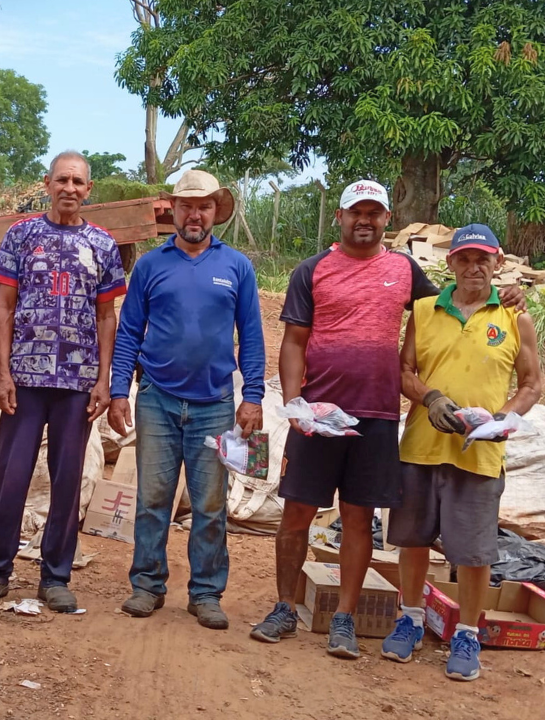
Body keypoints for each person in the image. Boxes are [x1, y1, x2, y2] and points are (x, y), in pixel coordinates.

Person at [249, 181, 523, 657]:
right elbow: (294, 342)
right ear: (340, 216)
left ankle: (344, 619)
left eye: (374, 212)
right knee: (296, 515)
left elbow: (457, 302)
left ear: (386, 219)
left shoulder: (404, 270)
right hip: (318, 415)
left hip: (375, 418)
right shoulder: (311, 270)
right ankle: (284, 608)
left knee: (358, 520)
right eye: (357, 211)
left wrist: (508, 296)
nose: (365, 220)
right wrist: (295, 403)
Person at [0, 152, 126, 613]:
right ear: (47, 184)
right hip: (27, 378)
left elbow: (105, 315)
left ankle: (55, 576)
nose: (70, 188)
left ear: (88, 189)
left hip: (77, 383)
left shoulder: (102, 244)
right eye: (62, 180)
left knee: (67, 480)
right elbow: (4, 307)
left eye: (78, 181)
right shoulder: (22, 235)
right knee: (11, 476)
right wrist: (3, 372)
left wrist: (104, 379)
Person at [382, 224, 541, 681]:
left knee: (473, 552)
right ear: (449, 263)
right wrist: (430, 398)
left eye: (483, 259)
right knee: (411, 540)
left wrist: (502, 419)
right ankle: (409, 618)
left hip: (479, 455)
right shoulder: (425, 310)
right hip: (421, 447)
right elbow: (404, 370)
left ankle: (468, 633)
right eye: (464, 259)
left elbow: (531, 384)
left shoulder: (516, 318)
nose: (474, 267)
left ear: (498, 262)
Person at [108, 169, 265, 628]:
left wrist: (252, 396)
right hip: (156, 398)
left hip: (214, 402)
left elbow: (251, 337)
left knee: (210, 505)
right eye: (187, 205)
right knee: (153, 499)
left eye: (205, 206)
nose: (195, 214)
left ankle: (206, 593)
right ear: (172, 210)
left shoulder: (236, 267)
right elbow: (129, 332)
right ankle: (147, 585)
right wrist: (121, 390)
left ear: (216, 212)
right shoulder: (151, 267)